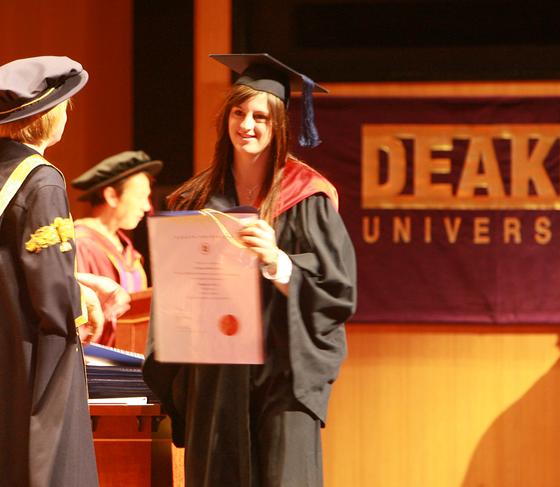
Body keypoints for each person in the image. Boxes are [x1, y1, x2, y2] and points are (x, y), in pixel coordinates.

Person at [143, 53, 357, 486]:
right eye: (239, 113)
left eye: (261, 116)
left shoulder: (307, 199)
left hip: (281, 375)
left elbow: (337, 291)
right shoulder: (194, 201)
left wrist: (278, 263)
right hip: (215, 376)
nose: (248, 125)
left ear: (279, 126)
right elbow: (173, 292)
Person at [0, 56, 100, 486]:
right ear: (46, 115)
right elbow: (52, 293)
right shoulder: (40, 180)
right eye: (65, 106)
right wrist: (80, 304)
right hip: (29, 352)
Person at [71, 150, 162, 344]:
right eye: (140, 196)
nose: (147, 207)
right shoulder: (81, 245)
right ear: (111, 195)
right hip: (96, 367)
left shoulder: (129, 252)